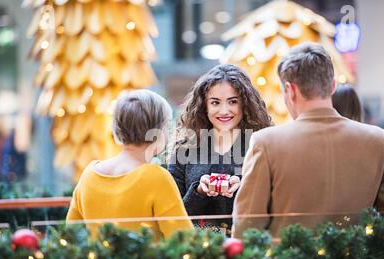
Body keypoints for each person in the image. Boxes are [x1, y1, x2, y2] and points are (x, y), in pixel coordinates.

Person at [232, 42, 384, 239]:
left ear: (290, 90)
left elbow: (247, 227)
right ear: (333, 86)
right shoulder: (377, 140)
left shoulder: (266, 142)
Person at [66, 89, 193, 241]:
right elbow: (184, 240)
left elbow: (70, 235)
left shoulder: (89, 174)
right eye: (166, 126)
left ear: (117, 128)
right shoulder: (157, 178)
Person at [168, 64, 272, 234]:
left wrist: (243, 188)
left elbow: (271, 209)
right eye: (215, 102)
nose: (224, 111)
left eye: (233, 101)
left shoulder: (261, 145)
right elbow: (173, 215)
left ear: (245, 104)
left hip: (248, 250)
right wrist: (199, 191)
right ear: (204, 105)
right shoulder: (183, 149)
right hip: (196, 249)